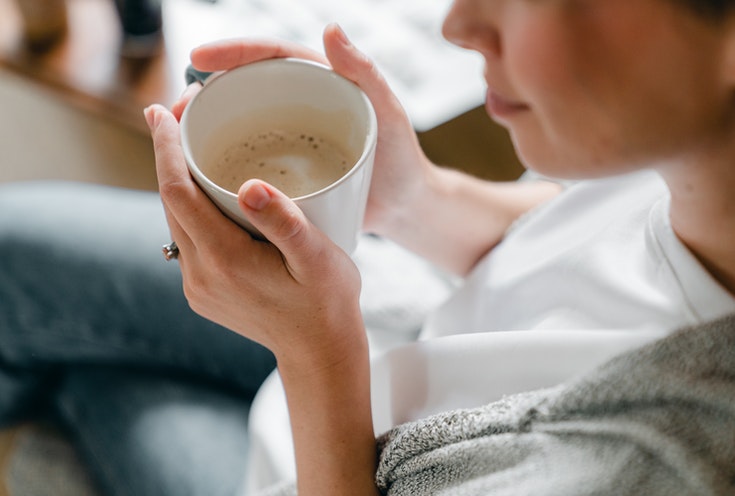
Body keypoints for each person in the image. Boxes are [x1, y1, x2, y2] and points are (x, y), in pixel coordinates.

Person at [1, 0, 735, 494]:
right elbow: (578, 235)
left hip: (317, 448)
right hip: (390, 314)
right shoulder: (683, 157)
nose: (458, 24)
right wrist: (413, 198)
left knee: (95, 388)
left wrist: (316, 354)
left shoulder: (664, 459)